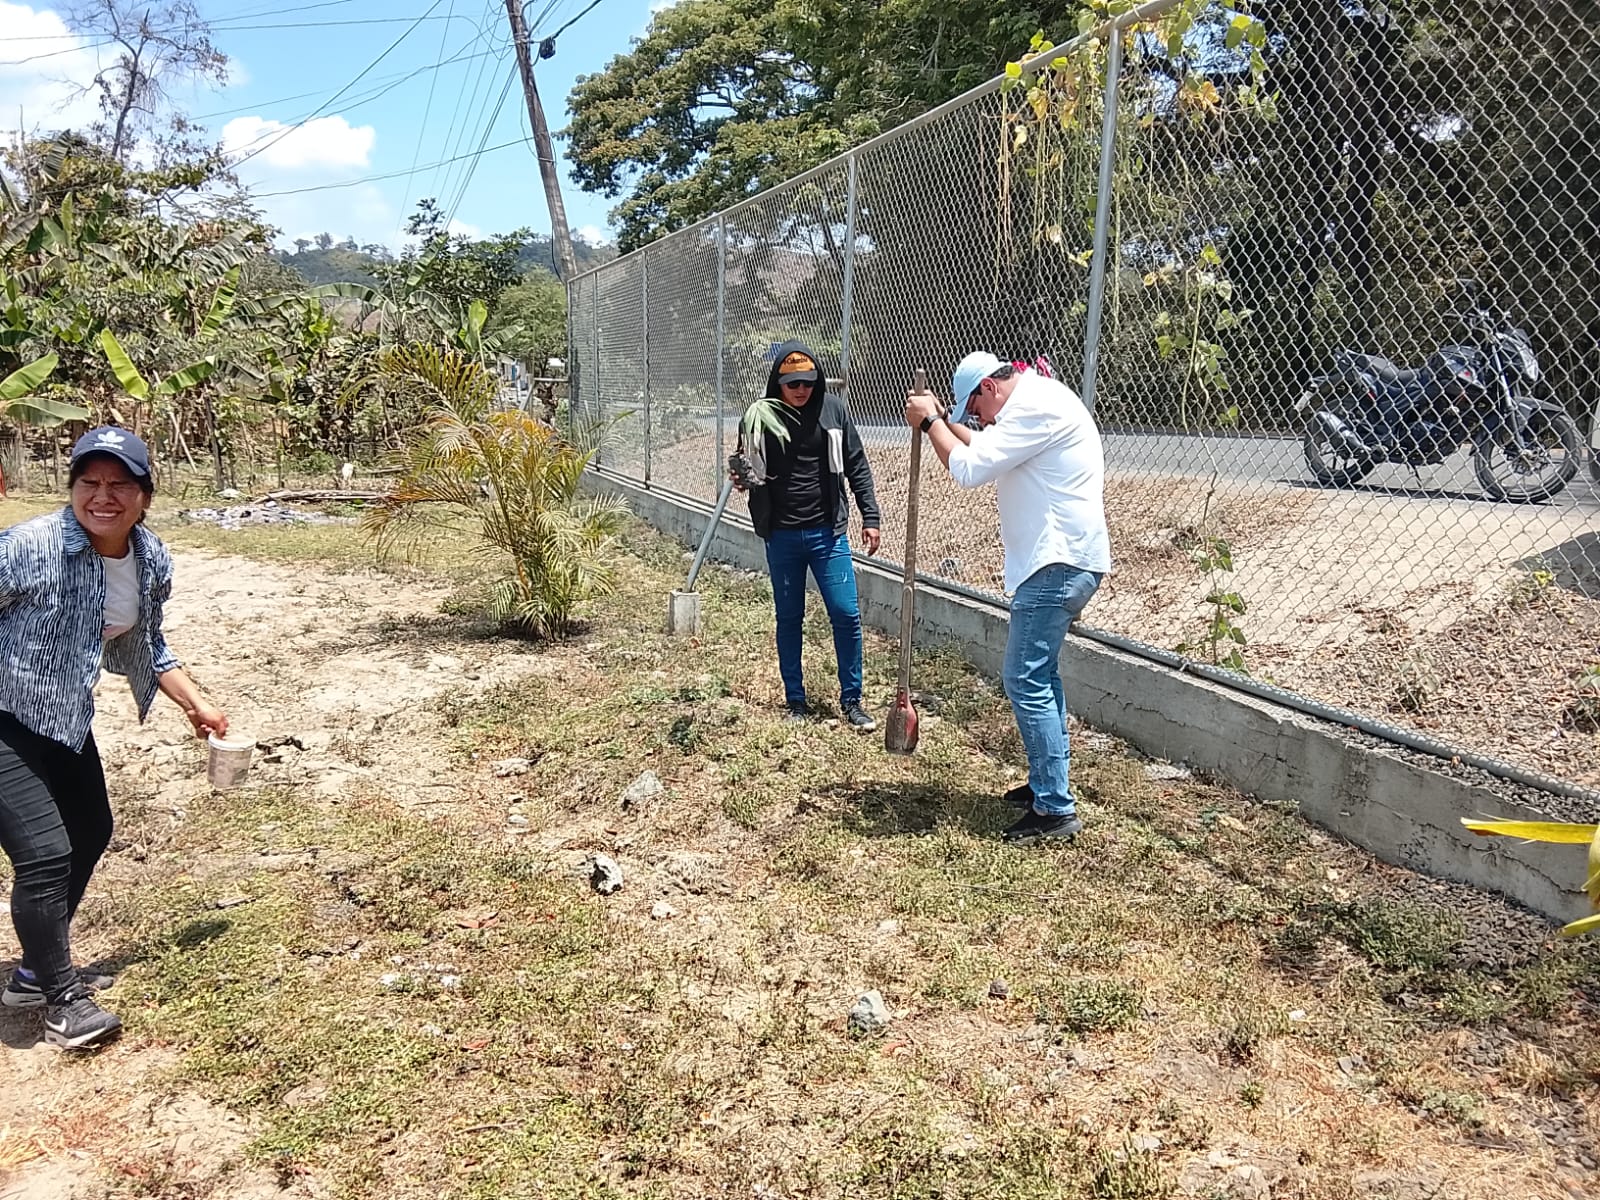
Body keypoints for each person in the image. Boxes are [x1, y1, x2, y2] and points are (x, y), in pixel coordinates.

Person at [0, 426, 228, 1049]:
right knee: (45, 854)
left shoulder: (149, 559)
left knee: (90, 829)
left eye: (120, 485)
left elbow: (143, 642)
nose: (103, 497)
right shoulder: (27, 547)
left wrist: (196, 703)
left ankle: (33, 972)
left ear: (144, 495)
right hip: (3, 717)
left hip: (59, 716)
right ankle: (61, 1001)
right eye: (89, 483)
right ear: (72, 488)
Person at [904, 352, 1111, 844]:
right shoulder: (1033, 401)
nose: (978, 419)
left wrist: (931, 423)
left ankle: (1054, 808)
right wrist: (945, 421)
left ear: (989, 388)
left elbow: (969, 469)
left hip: (1056, 565)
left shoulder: (1034, 407)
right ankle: (1047, 784)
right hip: (1063, 562)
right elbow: (985, 447)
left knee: (1024, 679)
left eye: (975, 409)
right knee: (1041, 678)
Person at [733, 342, 882, 730]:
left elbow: (857, 464)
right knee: (789, 617)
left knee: (846, 614)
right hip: (782, 535)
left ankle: (852, 700)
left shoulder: (832, 410)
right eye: (793, 383)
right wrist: (741, 477)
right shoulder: (759, 416)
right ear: (778, 383)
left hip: (827, 534)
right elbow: (747, 469)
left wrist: (871, 515)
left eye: (808, 382)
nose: (801, 390)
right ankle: (795, 701)